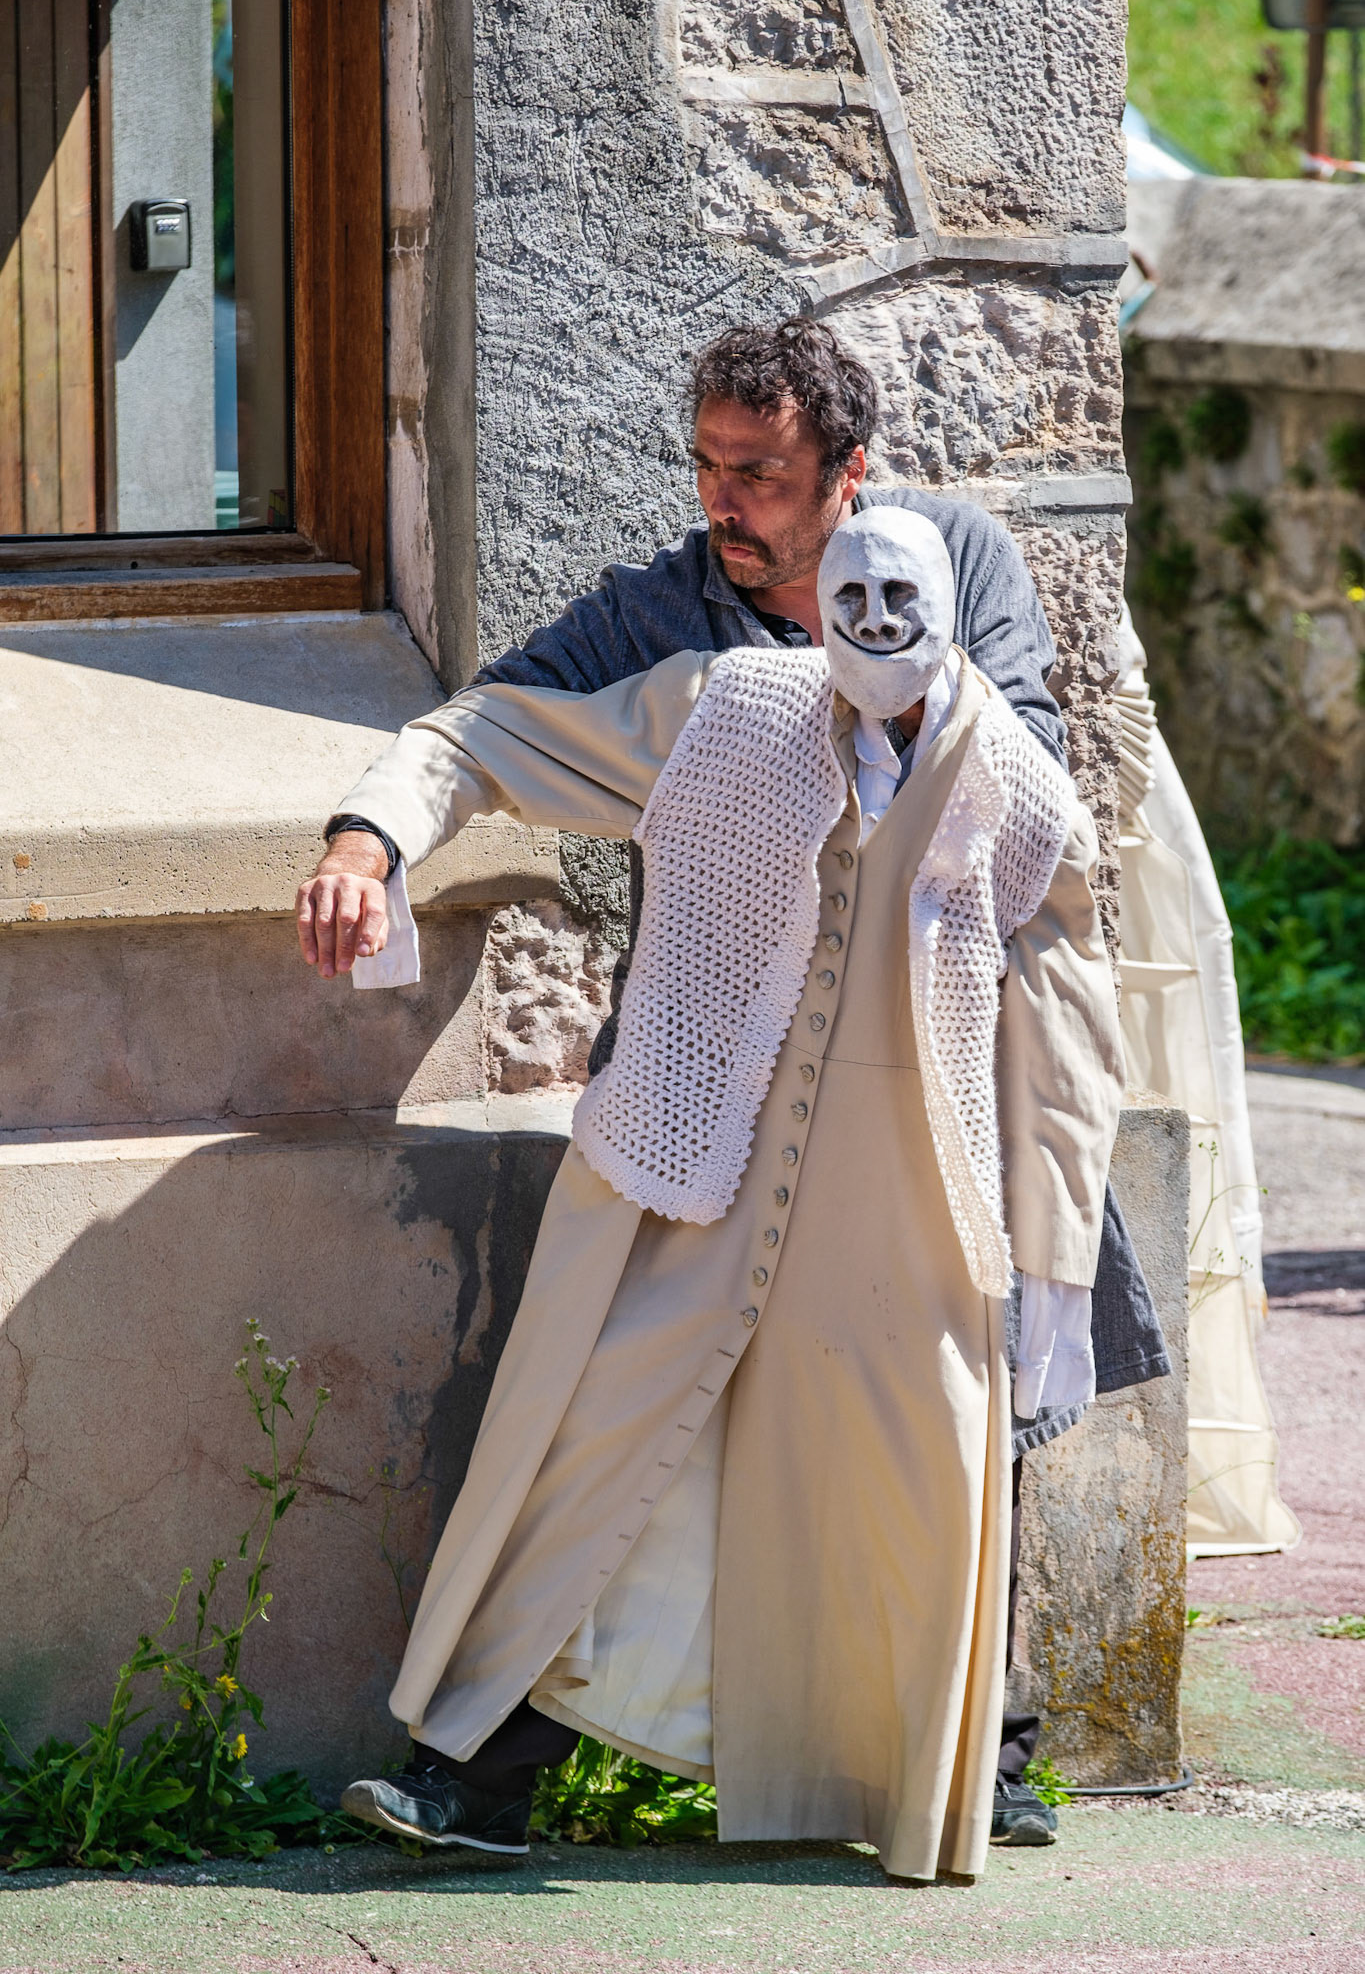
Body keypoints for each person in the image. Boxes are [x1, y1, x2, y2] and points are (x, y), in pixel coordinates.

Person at [304, 318, 1169, 1850]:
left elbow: (1031, 803)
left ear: (848, 473)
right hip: (710, 1107)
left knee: (947, 1429)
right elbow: (491, 730)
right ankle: (477, 1771)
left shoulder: (955, 563)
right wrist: (365, 841)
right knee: (598, 1422)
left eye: (759, 471)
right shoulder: (682, 655)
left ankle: (973, 1762)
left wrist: (905, 706)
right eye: (708, 466)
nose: (725, 500)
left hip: (926, 1109)